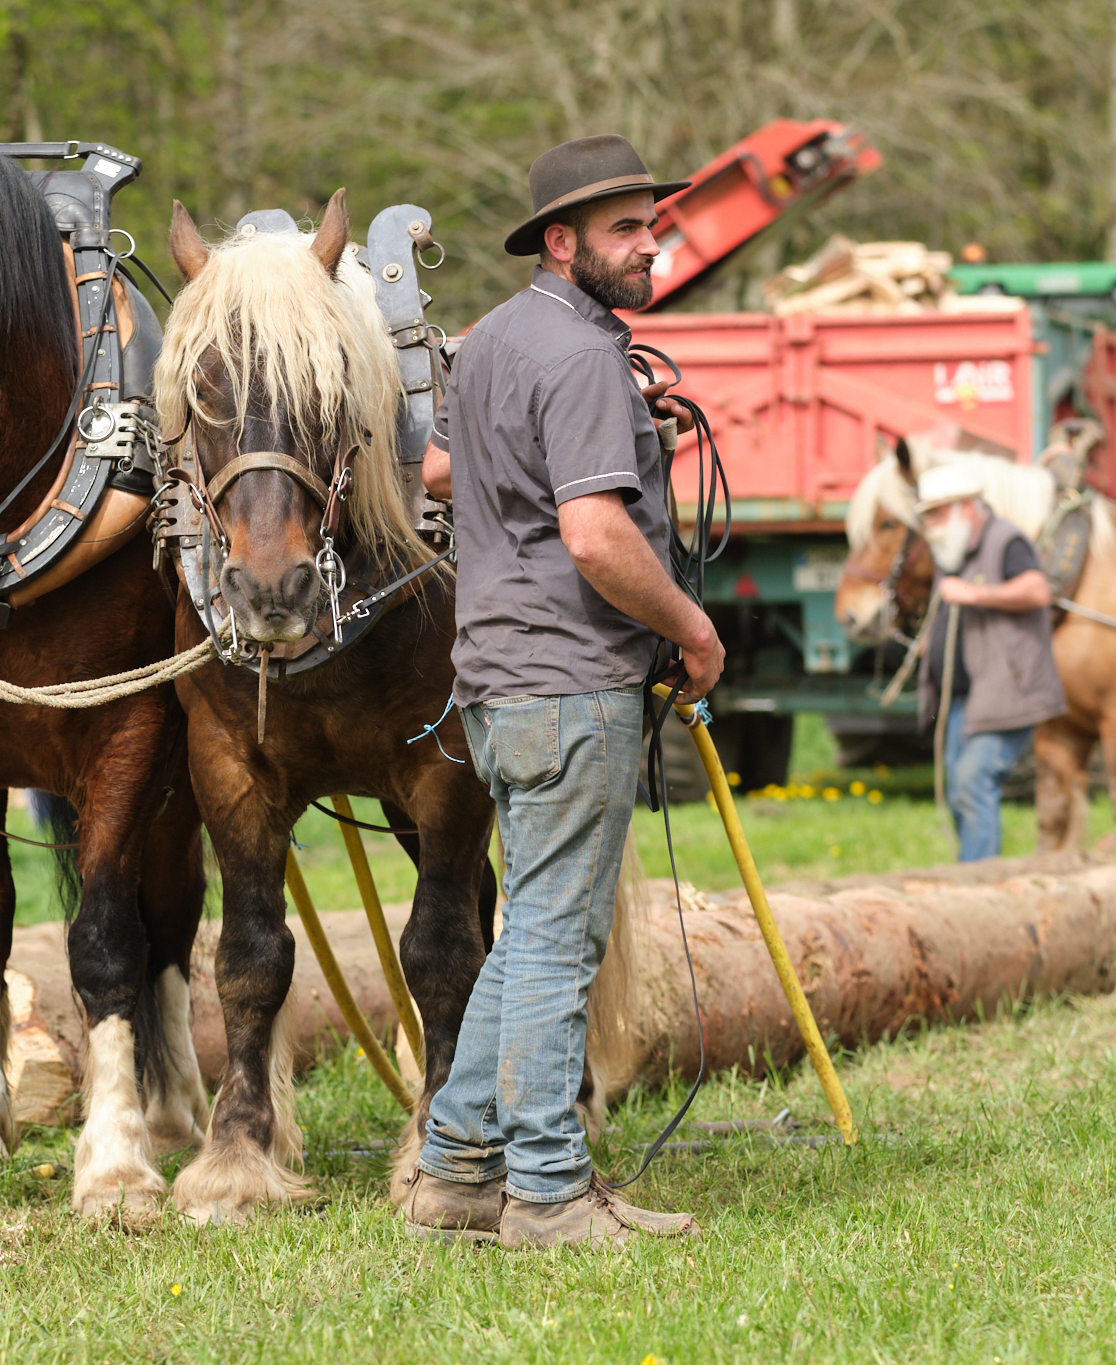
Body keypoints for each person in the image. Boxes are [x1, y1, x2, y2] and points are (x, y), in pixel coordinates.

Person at [402, 135, 716, 1249]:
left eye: (650, 223)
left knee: (530, 926)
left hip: (495, 679)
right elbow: (591, 535)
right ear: (561, 241)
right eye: (626, 229)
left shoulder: (492, 342)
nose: (650, 244)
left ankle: (450, 1177)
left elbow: (441, 470)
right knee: (554, 941)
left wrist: (623, 438)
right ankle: (543, 1192)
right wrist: (689, 624)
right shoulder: (582, 358)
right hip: (568, 681)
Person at [914, 462, 1066, 863]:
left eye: (936, 514)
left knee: (973, 779)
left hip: (1008, 693)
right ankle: (972, 871)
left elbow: (1036, 590)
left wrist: (976, 595)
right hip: (968, 699)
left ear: (966, 508)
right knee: (958, 790)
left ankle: (978, 880)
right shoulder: (952, 550)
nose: (930, 525)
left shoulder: (1005, 540)